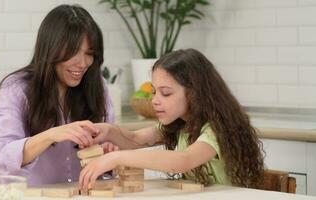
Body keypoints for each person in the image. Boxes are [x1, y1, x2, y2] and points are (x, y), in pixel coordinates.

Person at [78, 48, 265, 191]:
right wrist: (108, 131)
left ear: (194, 93)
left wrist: (115, 157)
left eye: (166, 93)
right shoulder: (181, 124)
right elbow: (135, 139)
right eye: (154, 92)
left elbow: (183, 159)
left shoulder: (216, 130)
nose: (155, 100)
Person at [0, 4, 117, 186]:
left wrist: (108, 154)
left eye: (89, 53)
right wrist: (50, 135)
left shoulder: (97, 86)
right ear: (51, 49)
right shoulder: (16, 89)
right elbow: (1, 156)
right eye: (73, 52)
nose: (82, 63)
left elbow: (107, 150)